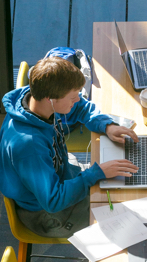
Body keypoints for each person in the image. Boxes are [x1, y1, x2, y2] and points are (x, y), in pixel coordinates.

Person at [0, 57, 139, 237]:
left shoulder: (35, 96)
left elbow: (81, 107)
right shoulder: (29, 146)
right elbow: (53, 201)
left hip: (63, 177)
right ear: (51, 99)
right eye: (73, 97)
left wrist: (106, 126)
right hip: (49, 214)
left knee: (125, 190)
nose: (77, 100)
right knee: (128, 220)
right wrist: (95, 174)